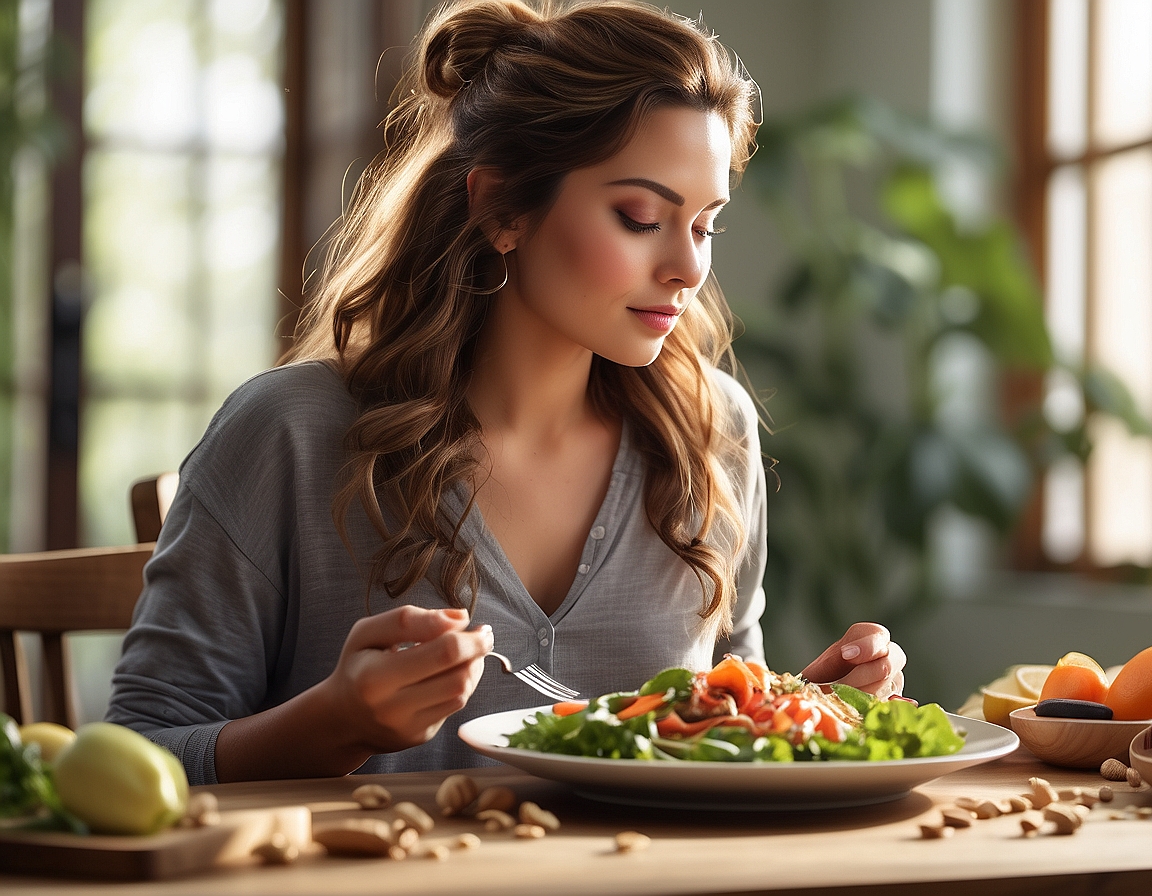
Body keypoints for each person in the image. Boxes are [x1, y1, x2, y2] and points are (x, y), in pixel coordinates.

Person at [106, 0, 905, 785]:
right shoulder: (287, 433)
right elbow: (140, 754)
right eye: (639, 216)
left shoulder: (713, 433)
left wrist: (808, 710)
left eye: (704, 225)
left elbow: (725, 721)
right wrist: (334, 724)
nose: (688, 269)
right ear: (500, 208)